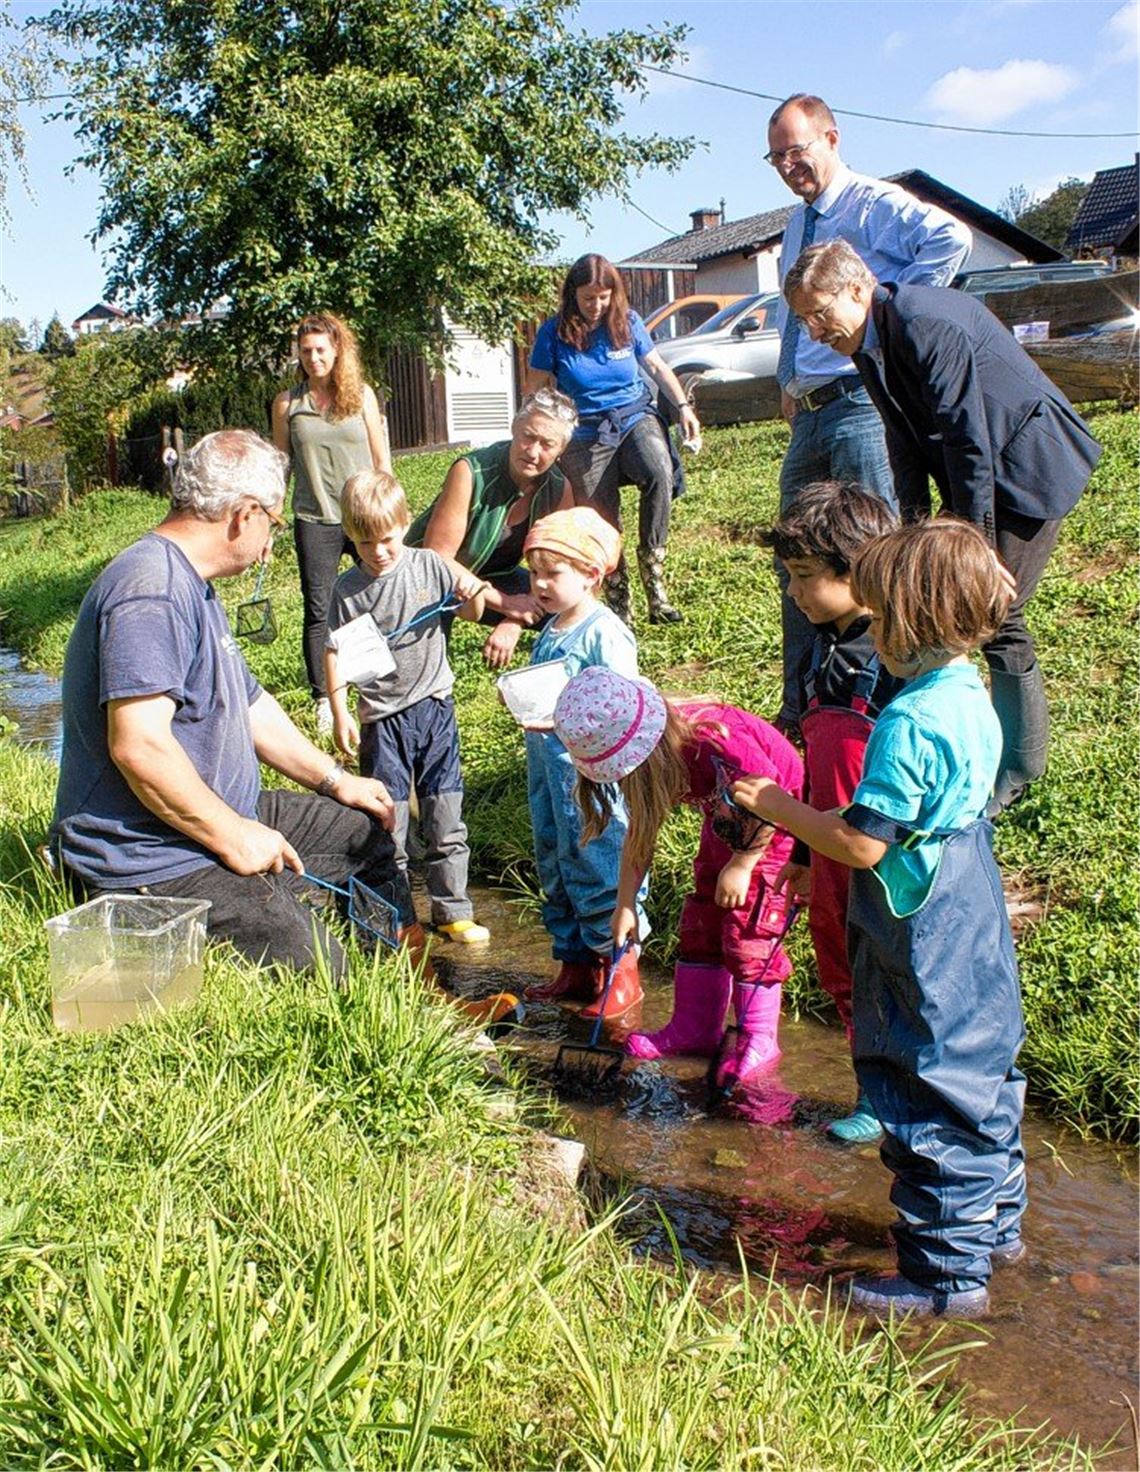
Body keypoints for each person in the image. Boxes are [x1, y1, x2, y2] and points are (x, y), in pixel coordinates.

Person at [732, 519, 1027, 1318]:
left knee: (923, 1076)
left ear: (908, 621)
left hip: (920, 921)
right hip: (970, 897)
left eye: (879, 616)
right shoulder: (967, 690)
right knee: (981, 1067)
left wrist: (781, 807)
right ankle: (995, 1227)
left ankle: (944, 1278)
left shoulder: (908, 720)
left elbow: (863, 845)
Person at [50, 429, 413, 982]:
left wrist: (337, 781)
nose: (270, 543)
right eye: (273, 522)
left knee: (365, 835)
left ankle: (411, 984)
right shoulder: (150, 591)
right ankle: (365, 989)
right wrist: (233, 836)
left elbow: (251, 705)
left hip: (215, 814)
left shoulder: (193, 583)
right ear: (244, 515)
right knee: (322, 969)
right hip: (151, 854)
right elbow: (139, 746)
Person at [783, 237, 1102, 811]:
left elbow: (967, 440)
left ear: (856, 288)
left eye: (819, 313)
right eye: (803, 320)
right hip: (980, 469)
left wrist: (973, 551)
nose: (813, 331)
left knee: (995, 611)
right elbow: (903, 442)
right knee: (942, 600)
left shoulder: (923, 323)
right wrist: (910, 537)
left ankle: (1016, 770)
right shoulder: (867, 340)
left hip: (1028, 468)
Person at [765, 92, 972, 733]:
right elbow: (795, 314)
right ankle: (805, 703)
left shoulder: (873, 203)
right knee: (796, 553)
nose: (788, 166)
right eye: (776, 158)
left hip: (859, 399)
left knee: (868, 551)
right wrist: (789, 379)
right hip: (811, 408)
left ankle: (880, 693)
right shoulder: (796, 224)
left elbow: (953, 239)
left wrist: (887, 322)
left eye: (796, 150)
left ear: (832, 139)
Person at [552, 669, 803, 1095]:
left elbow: (770, 797)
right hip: (727, 819)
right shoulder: (654, 762)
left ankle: (758, 1039)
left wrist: (742, 863)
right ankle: (695, 1028)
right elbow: (641, 831)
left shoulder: (714, 742)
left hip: (775, 824)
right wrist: (625, 904)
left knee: (748, 928)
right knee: (702, 916)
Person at [758, 482, 904, 1142]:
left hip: (880, 854)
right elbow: (817, 769)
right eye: (789, 576)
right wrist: (802, 854)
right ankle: (873, 1089)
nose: (793, 592)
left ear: (859, 570)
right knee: (841, 966)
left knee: (883, 970)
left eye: (804, 576)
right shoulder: (823, 650)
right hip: (829, 843)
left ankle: (898, 1096)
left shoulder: (894, 657)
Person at [324, 470, 494, 950]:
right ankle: (397, 917)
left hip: (435, 707)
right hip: (382, 720)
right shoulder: (347, 590)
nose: (379, 552)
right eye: (365, 543)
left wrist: (473, 596)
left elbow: (471, 612)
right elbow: (334, 651)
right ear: (350, 536)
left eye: (387, 539)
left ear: (404, 524)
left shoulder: (429, 566)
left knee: (445, 816)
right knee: (390, 823)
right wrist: (340, 711)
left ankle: (453, 911)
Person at [516, 507, 646, 1019]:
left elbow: (623, 704)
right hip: (549, 771)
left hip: (592, 776)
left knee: (598, 859)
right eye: (534, 573)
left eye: (553, 573)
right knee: (555, 857)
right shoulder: (551, 628)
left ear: (591, 574)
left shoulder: (603, 632)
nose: (541, 584)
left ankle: (620, 969)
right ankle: (575, 962)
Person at [524, 253, 701, 627]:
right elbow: (535, 387)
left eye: (603, 297)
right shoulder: (554, 333)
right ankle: (619, 598)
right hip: (584, 431)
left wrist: (684, 407)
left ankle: (655, 580)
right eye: (588, 297)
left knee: (658, 472)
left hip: (634, 416)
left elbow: (656, 366)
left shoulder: (628, 322)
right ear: (573, 295)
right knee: (601, 517)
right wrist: (539, 430)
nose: (596, 305)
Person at [272, 311, 390, 735]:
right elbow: (281, 466)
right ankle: (324, 697)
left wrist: (389, 508)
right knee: (319, 608)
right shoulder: (288, 404)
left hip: (362, 514)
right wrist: (270, 516)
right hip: (314, 517)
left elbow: (381, 459)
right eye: (306, 351)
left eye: (321, 350)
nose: (314, 358)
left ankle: (379, 678)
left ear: (337, 350)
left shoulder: (362, 396)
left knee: (378, 593)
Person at [407, 388, 576, 669]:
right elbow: (437, 557)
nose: (533, 452)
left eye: (547, 444)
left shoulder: (558, 489)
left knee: (572, 599)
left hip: (497, 576)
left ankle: (564, 677)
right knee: (424, 663)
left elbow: (560, 566)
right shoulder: (470, 471)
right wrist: (507, 603)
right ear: (514, 428)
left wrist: (514, 621)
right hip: (430, 577)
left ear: (561, 450)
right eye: (528, 436)